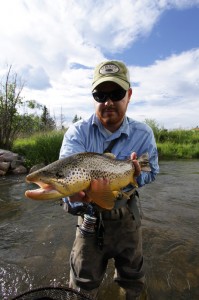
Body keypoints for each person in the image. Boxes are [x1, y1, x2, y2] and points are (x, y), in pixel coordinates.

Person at [59, 60, 159, 300]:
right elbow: (65, 180)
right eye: (100, 94)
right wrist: (73, 197)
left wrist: (136, 176)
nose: (108, 102)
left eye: (116, 93)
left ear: (129, 95)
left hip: (127, 216)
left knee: (133, 281)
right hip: (90, 218)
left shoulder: (143, 133)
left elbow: (151, 171)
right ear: (93, 97)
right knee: (82, 285)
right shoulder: (77, 133)